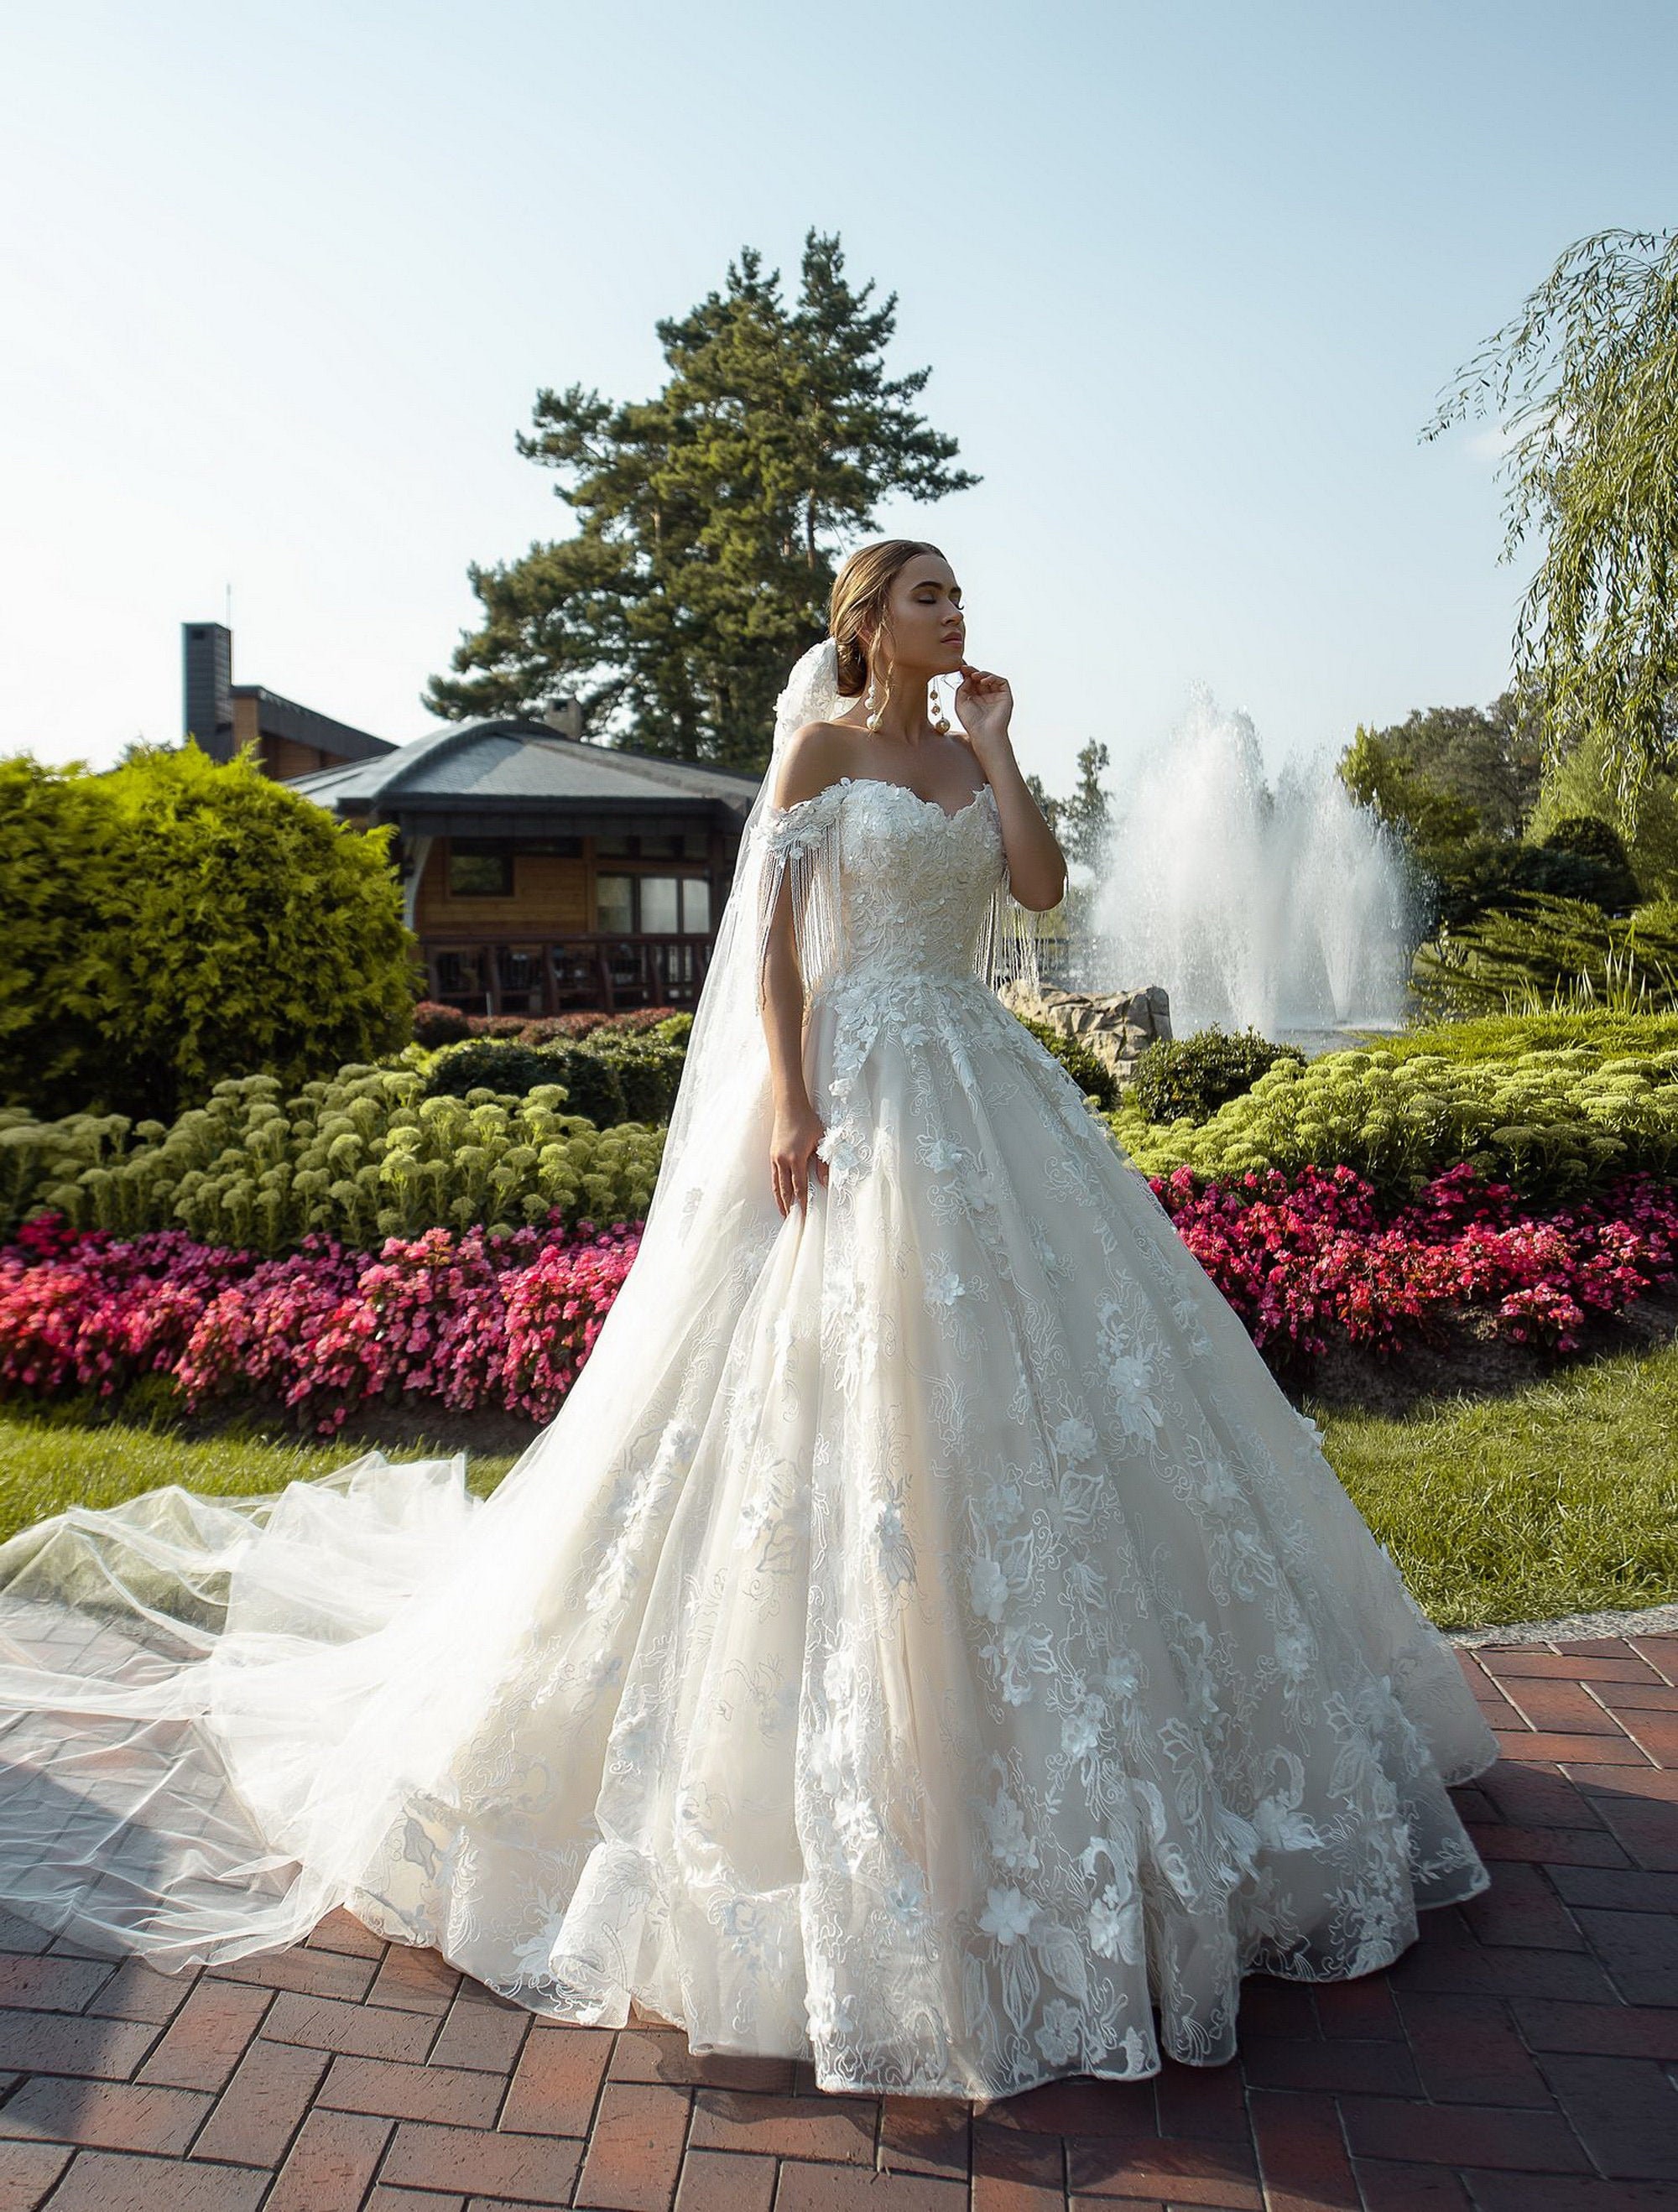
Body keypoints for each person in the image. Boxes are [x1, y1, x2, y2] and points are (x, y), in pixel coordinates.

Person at [0, 538, 1498, 2105]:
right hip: (850, 1078)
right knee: (821, 1394)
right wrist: (790, 1096)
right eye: (929, 595)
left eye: (958, 596)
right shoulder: (822, 742)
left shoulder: (964, 739)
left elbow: (1041, 889)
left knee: (1052, 1399)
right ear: (867, 622)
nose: (955, 612)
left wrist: (997, 744)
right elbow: (773, 943)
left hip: (981, 1087)